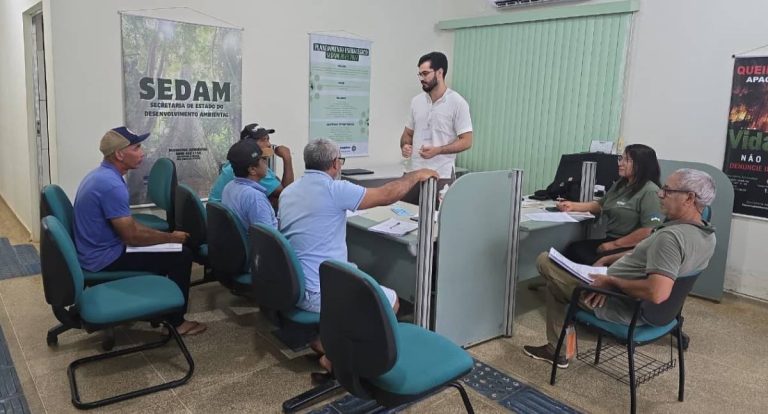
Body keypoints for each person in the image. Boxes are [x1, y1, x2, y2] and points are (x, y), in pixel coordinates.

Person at [523, 168, 716, 368]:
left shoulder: (670, 238)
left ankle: (558, 351)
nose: (661, 194)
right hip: (658, 313)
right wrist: (610, 259)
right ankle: (559, 350)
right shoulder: (706, 235)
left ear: (689, 198)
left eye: (668, 190)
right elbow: (650, 255)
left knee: (545, 261)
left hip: (618, 303)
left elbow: (657, 292)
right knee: (558, 284)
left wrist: (611, 281)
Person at [278, 138, 437, 376]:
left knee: (356, 277)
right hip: (317, 292)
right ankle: (339, 357)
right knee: (392, 302)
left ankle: (328, 340)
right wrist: (415, 176)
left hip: (295, 285)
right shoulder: (334, 189)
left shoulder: (289, 191)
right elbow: (386, 195)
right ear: (335, 163)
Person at [73, 127, 206, 335]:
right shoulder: (111, 185)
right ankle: (177, 322)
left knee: (168, 250)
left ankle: (158, 304)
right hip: (104, 258)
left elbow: (129, 226)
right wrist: (170, 237)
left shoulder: (101, 175)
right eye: (136, 148)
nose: (142, 152)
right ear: (119, 154)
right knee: (182, 255)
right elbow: (132, 236)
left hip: (94, 250)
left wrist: (163, 239)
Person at [558, 144, 664, 265]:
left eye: (627, 160)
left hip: (630, 247)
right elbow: (600, 205)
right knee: (573, 249)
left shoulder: (650, 191)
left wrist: (613, 245)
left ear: (642, 165)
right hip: (612, 239)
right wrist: (572, 206)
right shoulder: (621, 184)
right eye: (621, 158)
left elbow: (649, 231)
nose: (620, 163)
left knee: (583, 257)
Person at [400, 51, 473, 203]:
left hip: (441, 175)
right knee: (406, 214)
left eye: (425, 73)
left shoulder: (458, 103)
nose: (421, 78)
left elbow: (467, 141)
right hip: (413, 173)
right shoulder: (416, 102)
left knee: (437, 217)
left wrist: (438, 150)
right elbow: (407, 134)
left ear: (440, 72)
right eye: (420, 74)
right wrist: (405, 145)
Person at [209, 123, 294, 206]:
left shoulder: (243, 159)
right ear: (249, 144)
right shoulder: (249, 166)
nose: (269, 144)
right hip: (228, 213)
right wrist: (287, 158)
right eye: (263, 140)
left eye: (268, 139)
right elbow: (287, 193)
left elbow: (276, 186)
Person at [221, 139, 278, 231]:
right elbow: (266, 238)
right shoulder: (255, 198)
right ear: (252, 170)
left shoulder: (229, 186)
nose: (266, 163)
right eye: (263, 159)